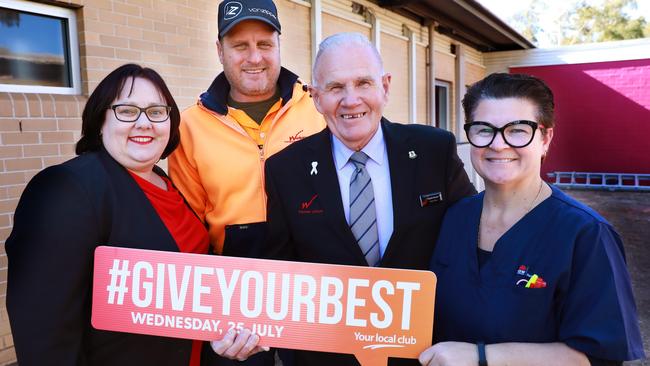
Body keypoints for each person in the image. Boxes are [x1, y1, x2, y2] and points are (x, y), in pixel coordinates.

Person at [5, 64, 262, 366]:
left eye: (156, 112)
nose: (144, 123)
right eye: (127, 111)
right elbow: (43, 333)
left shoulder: (167, 184)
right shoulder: (66, 188)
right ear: (100, 120)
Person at [263, 32, 476, 366]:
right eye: (335, 88)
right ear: (316, 98)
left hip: (424, 355)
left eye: (363, 83)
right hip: (326, 358)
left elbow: (470, 246)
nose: (351, 100)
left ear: (385, 87)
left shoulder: (435, 151)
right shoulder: (285, 170)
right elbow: (281, 273)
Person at [420, 73, 645, 366]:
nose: (498, 144)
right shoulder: (453, 219)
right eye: (483, 129)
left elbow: (596, 356)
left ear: (545, 138)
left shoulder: (586, 234)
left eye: (516, 130)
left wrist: (481, 357)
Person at [168, 0, 325, 260]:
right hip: (233, 281)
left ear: (278, 46)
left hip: (313, 277)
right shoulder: (190, 127)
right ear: (220, 51)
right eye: (240, 46)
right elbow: (189, 224)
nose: (254, 57)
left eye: (264, 44)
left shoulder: (318, 108)